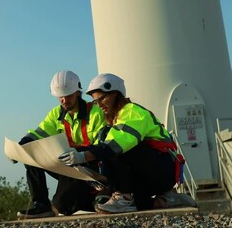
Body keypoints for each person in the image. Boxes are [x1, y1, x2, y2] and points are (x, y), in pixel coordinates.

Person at [58, 73, 197, 213]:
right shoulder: (116, 119)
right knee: (132, 204)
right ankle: (169, 200)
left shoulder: (132, 112)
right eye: (95, 101)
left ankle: (124, 197)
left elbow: (116, 145)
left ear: (116, 94)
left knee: (112, 148)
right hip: (149, 170)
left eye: (103, 98)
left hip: (164, 168)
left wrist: (83, 156)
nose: (99, 105)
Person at [16, 70, 107, 219]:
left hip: (90, 167)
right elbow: (39, 133)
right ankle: (41, 205)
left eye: (68, 95)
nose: (64, 100)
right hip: (68, 166)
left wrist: (79, 153)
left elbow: (101, 148)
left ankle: (91, 199)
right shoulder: (55, 114)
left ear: (78, 92)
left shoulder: (96, 113)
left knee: (61, 205)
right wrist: (21, 146)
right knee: (30, 154)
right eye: (61, 97)